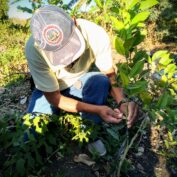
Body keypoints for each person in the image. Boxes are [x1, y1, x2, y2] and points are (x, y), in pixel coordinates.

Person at [25, 5, 138, 129]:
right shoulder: (34, 49)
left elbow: (109, 74)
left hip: (78, 82)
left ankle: (90, 130)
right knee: (32, 130)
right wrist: (98, 109)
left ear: (74, 21)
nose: (69, 60)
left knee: (100, 81)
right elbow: (54, 97)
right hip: (50, 90)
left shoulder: (95, 34)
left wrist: (121, 101)